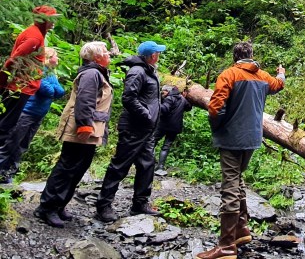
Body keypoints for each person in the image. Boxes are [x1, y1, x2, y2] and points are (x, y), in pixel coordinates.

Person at [196, 41, 285, 259]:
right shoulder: (263, 76)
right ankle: (241, 229)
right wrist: (282, 73)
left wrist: (218, 128)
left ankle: (226, 246)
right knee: (237, 179)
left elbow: (215, 108)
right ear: (251, 55)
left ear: (235, 57)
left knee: (230, 186)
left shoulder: (229, 75)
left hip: (231, 139)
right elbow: (278, 85)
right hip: (252, 138)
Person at [34, 41, 113, 228]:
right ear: (96, 57)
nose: (109, 54)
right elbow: (85, 101)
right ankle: (47, 208)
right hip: (82, 128)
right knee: (67, 167)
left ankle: (59, 205)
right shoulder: (91, 73)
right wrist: (85, 126)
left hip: (91, 127)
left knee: (78, 167)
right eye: (105, 52)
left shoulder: (97, 72)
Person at [95, 40, 165, 222]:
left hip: (147, 130)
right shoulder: (137, 71)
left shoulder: (150, 71)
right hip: (134, 127)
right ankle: (103, 206)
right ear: (151, 55)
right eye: (157, 52)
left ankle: (140, 203)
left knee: (147, 165)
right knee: (120, 166)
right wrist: (147, 115)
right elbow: (128, 98)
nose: (159, 55)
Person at [0, 47, 65, 183]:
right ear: (48, 57)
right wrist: (52, 87)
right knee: (12, 142)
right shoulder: (38, 70)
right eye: (56, 55)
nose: (58, 58)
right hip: (26, 113)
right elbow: (47, 90)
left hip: (38, 115)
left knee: (23, 145)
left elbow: (60, 91)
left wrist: (52, 86)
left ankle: (9, 174)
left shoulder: (52, 73)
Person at [0, 5, 60, 144]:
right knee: (5, 126)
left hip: (22, 86)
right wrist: (3, 81)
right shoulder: (34, 37)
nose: (53, 23)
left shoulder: (37, 34)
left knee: (6, 124)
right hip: (19, 87)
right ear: (42, 20)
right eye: (50, 19)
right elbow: (14, 59)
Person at [153, 84, 192, 174]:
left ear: (168, 91)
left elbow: (164, 109)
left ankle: (150, 163)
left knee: (152, 141)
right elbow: (189, 107)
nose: (163, 94)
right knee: (166, 146)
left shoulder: (169, 98)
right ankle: (161, 167)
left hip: (163, 125)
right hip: (175, 127)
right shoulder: (182, 99)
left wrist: (158, 102)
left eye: (164, 92)